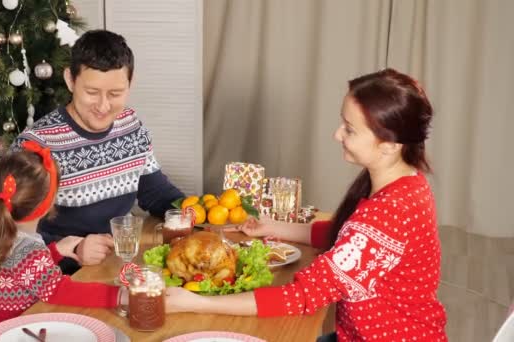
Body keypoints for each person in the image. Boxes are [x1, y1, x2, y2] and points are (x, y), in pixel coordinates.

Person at [165, 69, 448, 341]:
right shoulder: (408, 182)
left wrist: (196, 302)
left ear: (389, 144)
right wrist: (276, 227)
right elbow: (351, 241)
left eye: (349, 130)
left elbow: (300, 296)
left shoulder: (390, 213)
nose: (337, 135)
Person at [13, 30, 184, 273]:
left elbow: (154, 192)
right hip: (57, 279)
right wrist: (74, 249)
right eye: (92, 92)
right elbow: (12, 238)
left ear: (130, 84)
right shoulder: (36, 146)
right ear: (70, 80)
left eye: (115, 94)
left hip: (111, 265)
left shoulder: (130, 125)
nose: (104, 106)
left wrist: (196, 211)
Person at [0, 141, 125, 328]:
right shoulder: (29, 248)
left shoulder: (4, 232)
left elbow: (23, 271)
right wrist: (119, 295)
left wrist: (54, 251)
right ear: (48, 202)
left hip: (4, 325)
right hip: (17, 332)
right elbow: (59, 290)